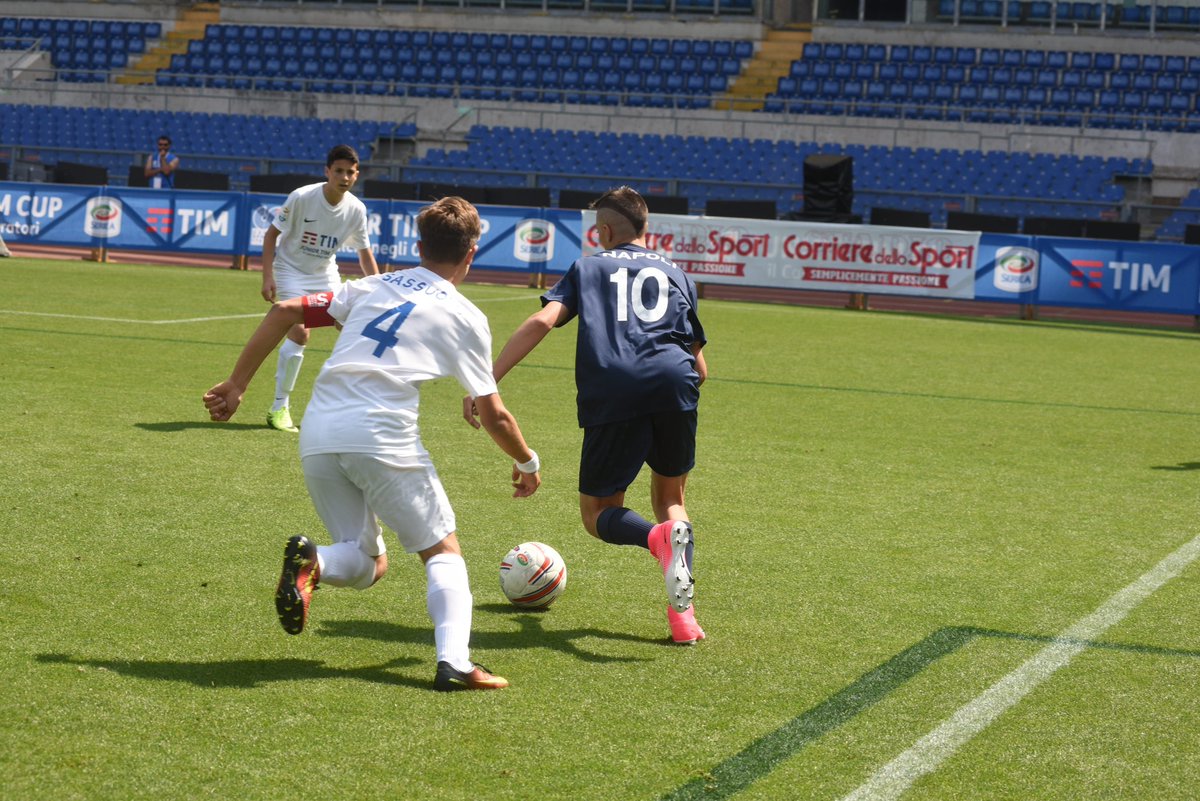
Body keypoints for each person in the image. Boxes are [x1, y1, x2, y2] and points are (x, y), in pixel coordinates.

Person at [204, 196, 541, 691]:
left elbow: (286, 309)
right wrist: (527, 461)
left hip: (319, 431)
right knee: (443, 550)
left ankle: (315, 562)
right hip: (381, 434)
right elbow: (494, 414)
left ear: (419, 247)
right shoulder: (465, 315)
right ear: (471, 253)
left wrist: (237, 384)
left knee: (367, 563)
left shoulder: (372, 285)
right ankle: (455, 663)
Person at [466, 186, 708, 645]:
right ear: (645, 227)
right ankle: (684, 621)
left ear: (605, 231)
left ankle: (654, 540)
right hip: (676, 384)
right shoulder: (679, 275)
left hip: (616, 389)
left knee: (598, 513)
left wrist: (487, 380)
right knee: (671, 500)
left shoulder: (588, 267)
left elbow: (542, 321)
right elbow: (701, 368)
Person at [259, 144, 380, 433]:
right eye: (338, 171)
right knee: (301, 331)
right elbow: (271, 235)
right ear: (327, 171)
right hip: (290, 272)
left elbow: (365, 254)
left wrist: (379, 290)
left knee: (352, 327)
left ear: (357, 175)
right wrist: (267, 277)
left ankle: (352, 406)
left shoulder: (356, 209)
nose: (344, 177)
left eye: (350, 172)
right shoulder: (301, 197)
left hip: (324, 274)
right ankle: (279, 407)